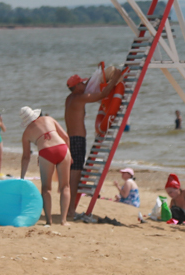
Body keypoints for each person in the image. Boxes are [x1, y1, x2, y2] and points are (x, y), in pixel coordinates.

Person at [64, 68, 127, 219]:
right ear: (77, 86)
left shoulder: (70, 98)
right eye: (83, 83)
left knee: (72, 175)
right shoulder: (80, 98)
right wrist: (116, 78)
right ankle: (70, 211)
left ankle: (68, 209)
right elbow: (103, 94)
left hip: (70, 139)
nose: (85, 85)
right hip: (78, 140)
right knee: (75, 176)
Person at [20, 106, 71, 226]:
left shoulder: (26, 133)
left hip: (46, 152)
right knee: (65, 186)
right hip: (62, 149)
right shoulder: (48, 118)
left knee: (46, 188)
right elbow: (66, 137)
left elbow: (26, 157)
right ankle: (63, 221)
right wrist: (70, 155)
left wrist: (22, 176)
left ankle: (49, 221)